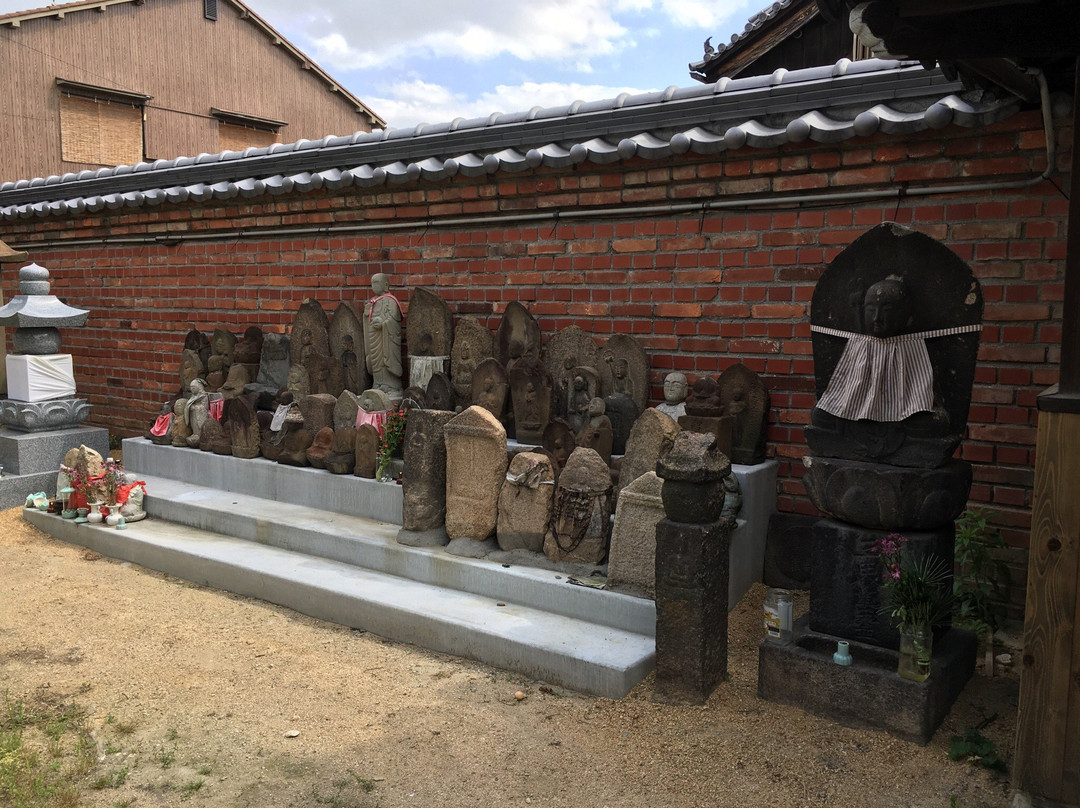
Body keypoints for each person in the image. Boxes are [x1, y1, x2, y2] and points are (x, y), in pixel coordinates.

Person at [363, 274, 403, 400]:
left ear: (386, 285)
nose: (374, 285)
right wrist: (366, 312)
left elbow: (395, 321)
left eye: (377, 282)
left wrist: (384, 323)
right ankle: (378, 383)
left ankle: (391, 386)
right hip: (374, 337)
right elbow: (366, 319)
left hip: (386, 338)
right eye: (372, 283)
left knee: (386, 359)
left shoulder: (391, 301)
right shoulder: (372, 302)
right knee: (375, 359)